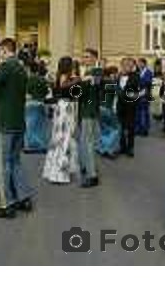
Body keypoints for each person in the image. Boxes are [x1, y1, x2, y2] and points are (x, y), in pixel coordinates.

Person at [0, 37, 33, 218]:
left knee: (3, 165)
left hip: (4, 122)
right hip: (19, 121)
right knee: (15, 161)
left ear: (3, 50)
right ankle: (24, 197)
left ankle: (7, 204)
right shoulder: (21, 68)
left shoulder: (6, 67)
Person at [42, 56, 80, 184]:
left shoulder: (60, 75)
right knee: (63, 139)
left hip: (62, 107)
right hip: (64, 108)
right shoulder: (64, 77)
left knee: (61, 138)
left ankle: (55, 170)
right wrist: (76, 80)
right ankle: (59, 172)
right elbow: (64, 87)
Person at [77, 48, 102, 187]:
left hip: (89, 111)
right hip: (84, 110)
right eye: (83, 56)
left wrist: (82, 81)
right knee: (84, 141)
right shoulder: (87, 72)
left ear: (94, 58)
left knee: (88, 142)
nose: (84, 59)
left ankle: (92, 175)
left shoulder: (96, 72)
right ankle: (86, 166)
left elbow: (93, 91)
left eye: (87, 57)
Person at [23, 61, 50, 153]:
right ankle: (41, 144)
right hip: (41, 103)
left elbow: (27, 92)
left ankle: (32, 145)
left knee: (30, 126)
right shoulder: (42, 80)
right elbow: (46, 92)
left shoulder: (29, 79)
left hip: (30, 104)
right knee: (41, 126)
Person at [116, 57, 140, 157]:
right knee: (120, 126)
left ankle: (130, 148)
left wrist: (121, 92)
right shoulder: (118, 77)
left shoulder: (135, 76)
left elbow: (132, 88)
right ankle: (122, 146)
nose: (127, 67)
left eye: (129, 65)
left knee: (130, 127)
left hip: (130, 105)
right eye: (125, 65)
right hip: (120, 105)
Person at [96, 66, 121, 158]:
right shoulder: (111, 83)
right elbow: (120, 93)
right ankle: (109, 149)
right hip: (108, 108)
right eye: (116, 73)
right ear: (112, 74)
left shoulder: (100, 82)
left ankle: (101, 148)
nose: (117, 74)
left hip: (99, 107)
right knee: (115, 129)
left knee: (104, 129)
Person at [135, 57, 153, 136]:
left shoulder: (148, 72)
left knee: (144, 112)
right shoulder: (137, 72)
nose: (138, 65)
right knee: (138, 112)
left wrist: (139, 81)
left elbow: (147, 81)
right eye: (138, 63)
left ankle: (145, 129)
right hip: (138, 94)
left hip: (145, 94)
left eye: (140, 63)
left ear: (144, 64)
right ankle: (138, 128)